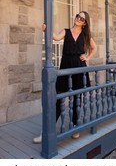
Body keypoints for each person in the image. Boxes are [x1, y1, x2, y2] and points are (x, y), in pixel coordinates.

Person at [33, 11, 97, 143]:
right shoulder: (66, 31)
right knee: (58, 99)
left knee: (76, 98)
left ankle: (75, 127)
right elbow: (55, 37)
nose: (78, 19)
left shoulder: (85, 35)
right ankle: (46, 132)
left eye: (82, 18)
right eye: (77, 16)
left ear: (85, 23)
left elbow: (94, 48)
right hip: (66, 67)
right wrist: (47, 30)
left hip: (79, 68)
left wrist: (87, 57)